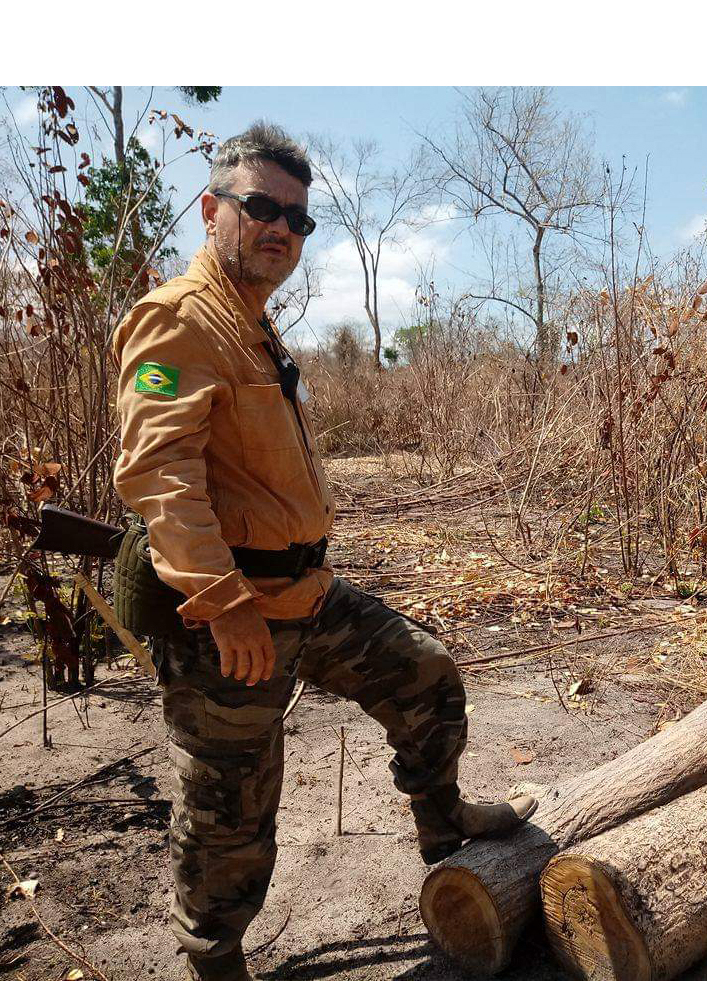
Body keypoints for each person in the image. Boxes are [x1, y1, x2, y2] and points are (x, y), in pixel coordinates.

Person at [112, 121, 536, 981]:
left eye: (298, 219)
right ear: (210, 210)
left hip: (307, 595)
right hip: (231, 617)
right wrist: (223, 600)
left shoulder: (252, 326)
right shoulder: (178, 322)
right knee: (231, 807)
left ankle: (442, 825)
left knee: (426, 676)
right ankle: (214, 955)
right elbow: (158, 473)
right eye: (261, 206)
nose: (281, 228)